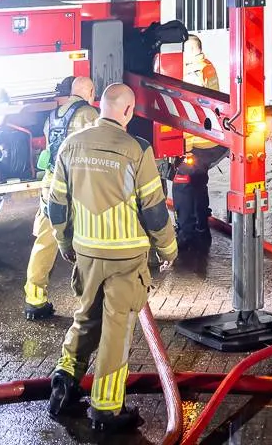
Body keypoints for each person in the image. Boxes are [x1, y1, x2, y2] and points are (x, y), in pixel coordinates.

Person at [45, 83, 177, 433]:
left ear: (100, 106)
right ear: (128, 111)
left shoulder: (71, 146)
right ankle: (105, 407)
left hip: (86, 253)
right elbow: (154, 211)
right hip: (126, 258)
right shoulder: (136, 150)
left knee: (86, 317)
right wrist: (168, 249)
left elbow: (56, 205)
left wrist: (64, 242)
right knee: (116, 328)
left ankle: (64, 380)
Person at [24, 74, 101, 320]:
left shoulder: (52, 116)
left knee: (45, 242)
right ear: (89, 92)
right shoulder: (90, 115)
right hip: (76, 186)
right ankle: (89, 302)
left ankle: (34, 300)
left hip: (50, 185)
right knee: (86, 241)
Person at [170, 35, 225, 248]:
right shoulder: (206, 67)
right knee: (199, 184)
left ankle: (186, 233)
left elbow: (188, 108)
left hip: (196, 143)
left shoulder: (194, 72)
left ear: (192, 50)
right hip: (208, 142)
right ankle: (202, 227)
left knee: (182, 184)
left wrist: (186, 147)